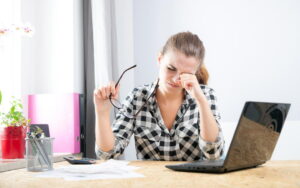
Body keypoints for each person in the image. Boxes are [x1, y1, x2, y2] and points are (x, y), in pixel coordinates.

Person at [94, 31, 224, 161]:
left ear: (195, 72)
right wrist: (102, 113)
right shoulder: (137, 98)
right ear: (160, 59)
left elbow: (214, 154)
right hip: (150, 180)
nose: (175, 79)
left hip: (194, 180)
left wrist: (201, 101)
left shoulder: (206, 95)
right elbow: (107, 154)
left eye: (186, 74)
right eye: (171, 68)